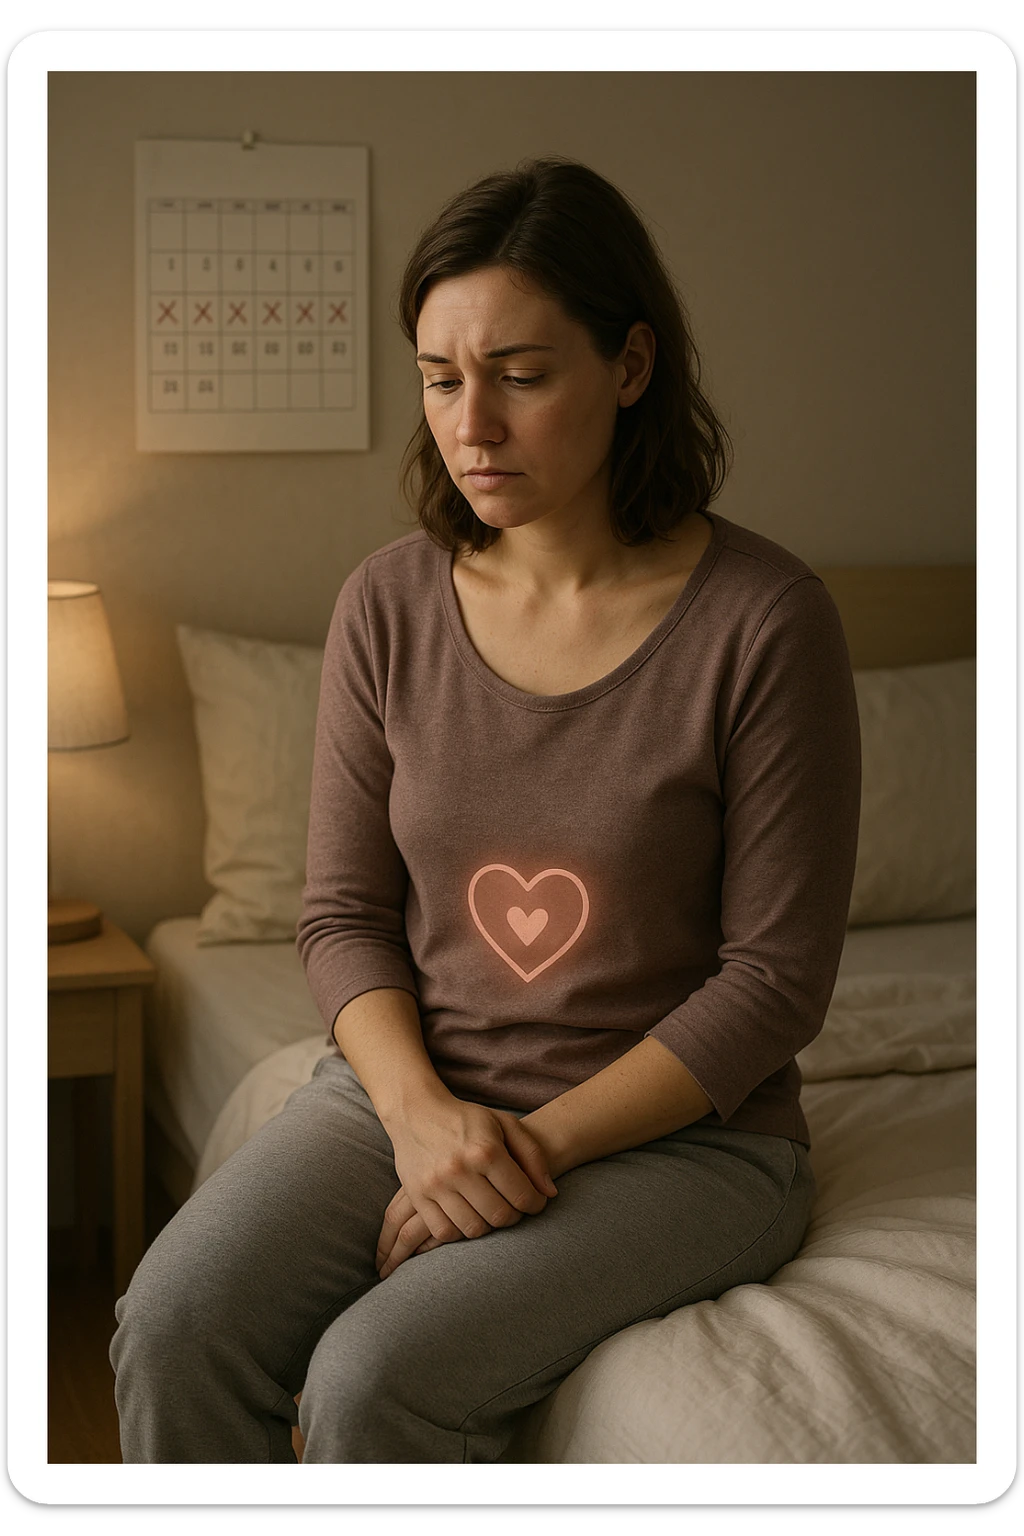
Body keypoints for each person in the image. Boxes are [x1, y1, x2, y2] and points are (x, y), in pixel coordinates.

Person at [110, 157, 861, 1464]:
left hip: (683, 1144)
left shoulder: (765, 622)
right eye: (441, 378)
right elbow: (343, 913)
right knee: (173, 1323)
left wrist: (519, 1150)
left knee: (371, 1379)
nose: (473, 425)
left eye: (521, 374)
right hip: (410, 1096)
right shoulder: (386, 605)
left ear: (630, 368)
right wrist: (421, 1118)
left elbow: (775, 983)